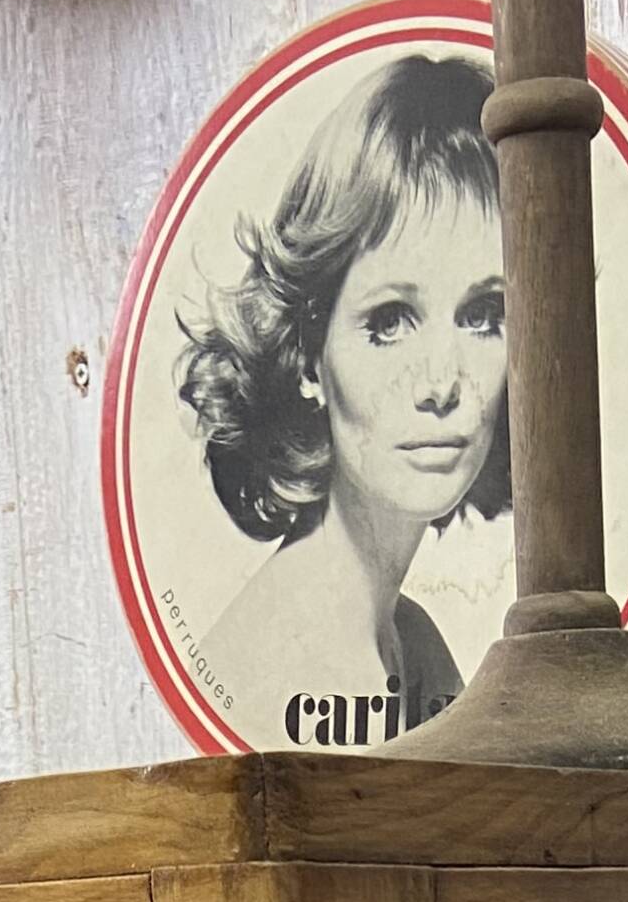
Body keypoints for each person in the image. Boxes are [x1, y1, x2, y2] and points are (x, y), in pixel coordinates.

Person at [177, 51, 510, 748]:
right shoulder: (287, 663)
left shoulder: (412, 641)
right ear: (308, 354)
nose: (441, 385)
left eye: (482, 315)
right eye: (389, 321)